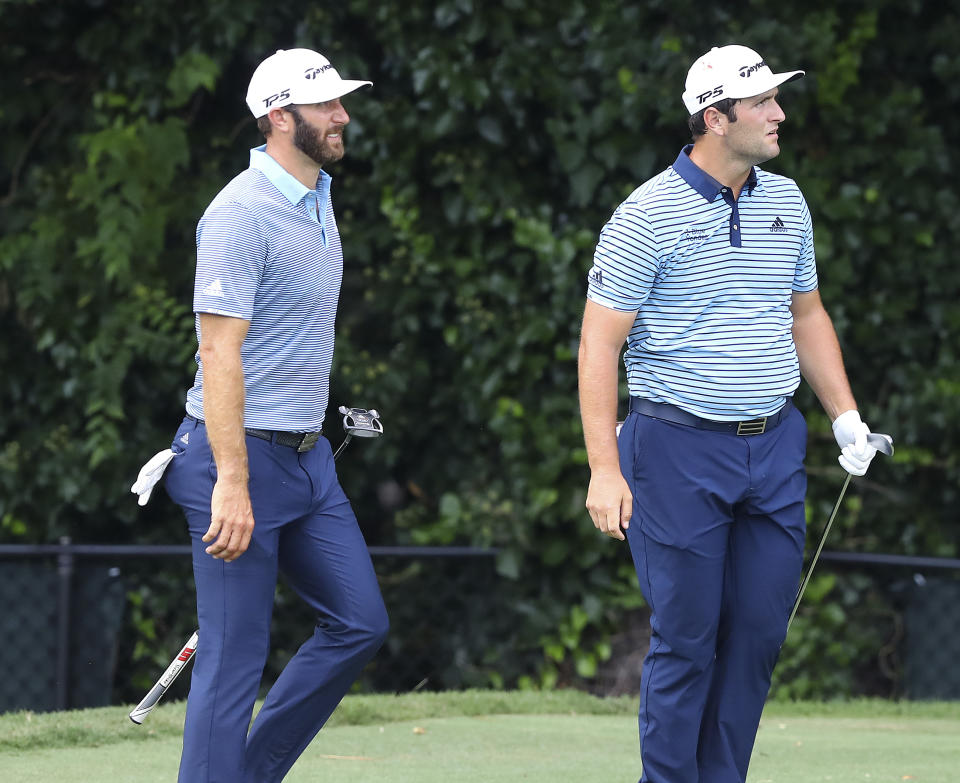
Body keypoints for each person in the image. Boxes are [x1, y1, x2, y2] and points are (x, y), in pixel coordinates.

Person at [577, 45, 881, 783]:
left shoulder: (786, 200)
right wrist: (604, 469)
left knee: (756, 636)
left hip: (773, 447)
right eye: (763, 104)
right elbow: (597, 345)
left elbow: (806, 315)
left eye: (778, 99)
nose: (779, 113)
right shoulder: (646, 215)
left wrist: (844, 416)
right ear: (715, 118)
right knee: (687, 639)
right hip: (675, 449)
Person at [151, 48, 388, 783]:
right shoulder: (238, 214)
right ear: (279, 118)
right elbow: (218, 355)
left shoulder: (316, 195)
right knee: (231, 659)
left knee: (360, 622)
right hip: (235, 459)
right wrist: (230, 479)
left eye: (341, 102)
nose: (343, 114)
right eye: (327, 106)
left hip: (309, 458)